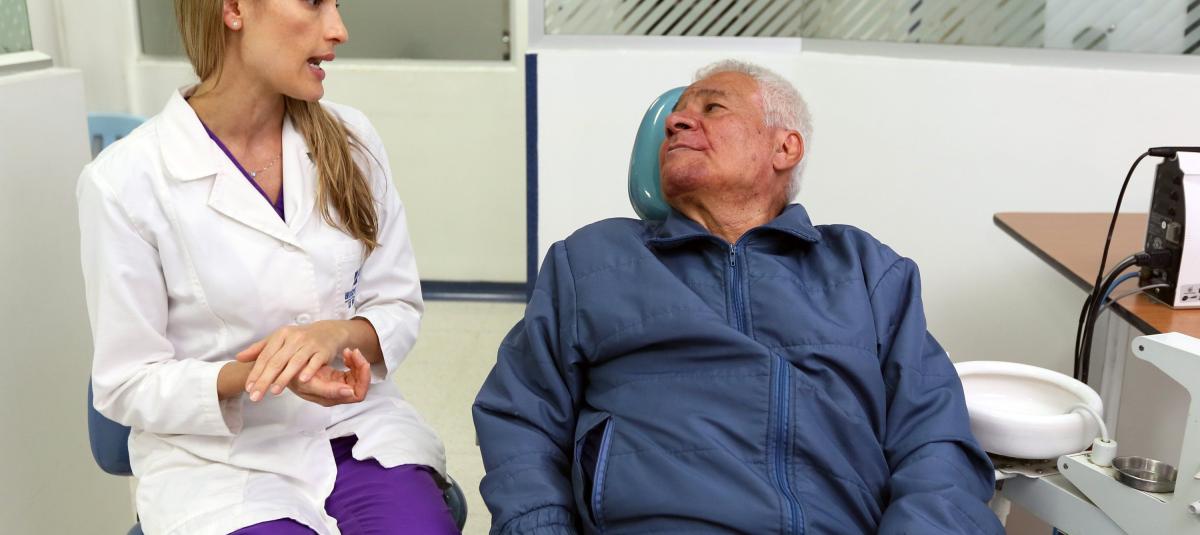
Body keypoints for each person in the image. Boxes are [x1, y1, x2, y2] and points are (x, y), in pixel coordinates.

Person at [473, 59, 1003, 534]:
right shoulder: (591, 260)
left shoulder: (868, 271)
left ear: (784, 147)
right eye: (675, 116)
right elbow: (521, 416)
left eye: (712, 107)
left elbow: (936, 442)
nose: (676, 123)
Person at [77, 1, 456, 533]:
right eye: (313, 3)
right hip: (218, 463)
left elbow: (395, 303)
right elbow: (125, 384)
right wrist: (260, 375)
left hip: (354, 433)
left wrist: (334, 334)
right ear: (234, 9)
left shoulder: (352, 141)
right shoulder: (124, 182)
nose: (339, 30)